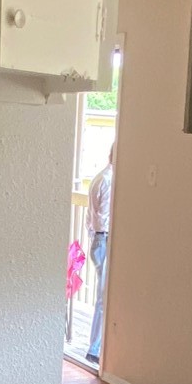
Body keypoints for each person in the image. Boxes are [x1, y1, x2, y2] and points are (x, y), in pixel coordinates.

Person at [85, 143, 114, 365]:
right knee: (104, 298)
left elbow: (90, 215)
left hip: (97, 238)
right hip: (104, 238)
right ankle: (94, 348)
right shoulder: (109, 181)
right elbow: (103, 214)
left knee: (104, 296)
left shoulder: (100, 177)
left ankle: (97, 346)